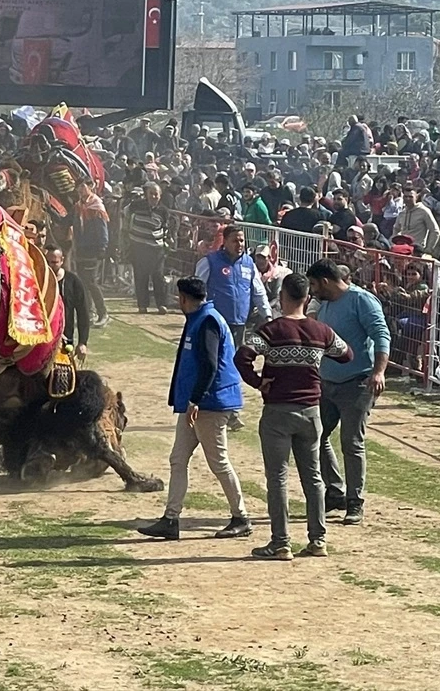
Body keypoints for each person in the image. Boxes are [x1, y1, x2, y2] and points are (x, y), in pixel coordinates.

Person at [236, 272, 352, 559]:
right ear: (308, 298)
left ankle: (280, 542)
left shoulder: (271, 330)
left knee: (277, 478)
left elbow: (242, 356)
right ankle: (318, 539)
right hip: (311, 411)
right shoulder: (320, 331)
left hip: (278, 410)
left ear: (282, 297)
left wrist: (257, 381)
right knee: (313, 477)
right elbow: (346, 354)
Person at [137, 277, 250, 541]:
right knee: (178, 458)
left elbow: (210, 365)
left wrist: (195, 400)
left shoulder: (207, 321)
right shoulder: (200, 318)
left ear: (184, 298)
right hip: (197, 405)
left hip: (208, 405)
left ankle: (241, 517)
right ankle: (170, 519)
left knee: (219, 463)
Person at [306, 258, 391, 526]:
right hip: (327, 382)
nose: (311, 290)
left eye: (313, 284)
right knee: (314, 435)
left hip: (358, 382)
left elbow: (381, 335)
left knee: (351, 442)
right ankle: (335, 490)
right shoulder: (326, 304)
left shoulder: (361, 300)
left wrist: (378, 372)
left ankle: (355, 502)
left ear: (326, 281)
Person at [194, 226, 270, 347]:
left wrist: (267, 315)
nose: (239, 244)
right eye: (235, 241)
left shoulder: (249, 263)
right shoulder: (210, 261)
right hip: (214, 322)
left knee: (234, 359)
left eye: (242, 241)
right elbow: (197, 291)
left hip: (240, 323)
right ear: (224, 241)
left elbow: (258, 292)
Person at [126, 182, 171, 314]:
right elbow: (125, 215)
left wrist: (166, 244)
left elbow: (166, 228)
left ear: (160, 195)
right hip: (138, 247)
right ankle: (142, 305)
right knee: (140, 276)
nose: (153, 196)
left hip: (156, 249)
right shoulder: (136, 205)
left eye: (156, 194)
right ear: (146, 194)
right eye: (151, 194)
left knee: (158, 276)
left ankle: (161, 304)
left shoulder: (164, 211)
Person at [74, 178, 110, 326]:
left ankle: (103, 313)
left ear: (90, 187)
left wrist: (102, 247)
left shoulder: (96, 206)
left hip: (93, 250)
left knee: (91, 281)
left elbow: (103, 229)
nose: (81, 189)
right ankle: (89, 313)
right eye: (79, 187)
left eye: (83, 186)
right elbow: (67, 221)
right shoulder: (78, 206)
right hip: (81, 249)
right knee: (83, 282)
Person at [48, 247, 89, 363]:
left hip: (65, 341)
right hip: (41, 341)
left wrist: (82, 342)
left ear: (62, 260)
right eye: (47, 262)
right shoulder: (37, 280)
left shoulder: (73, 282)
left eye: (54, 262)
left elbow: (83, 313)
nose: (50, 266)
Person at [393, 187, 440, 254]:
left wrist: (428, 249)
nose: (408, 199)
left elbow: (435, 231)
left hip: (416, 250)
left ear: (416, 197)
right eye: (405, 197)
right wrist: (394, 243)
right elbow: (396, 228)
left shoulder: (424, 211)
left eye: (411, 197)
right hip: (402, 249)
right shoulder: (402, 213)